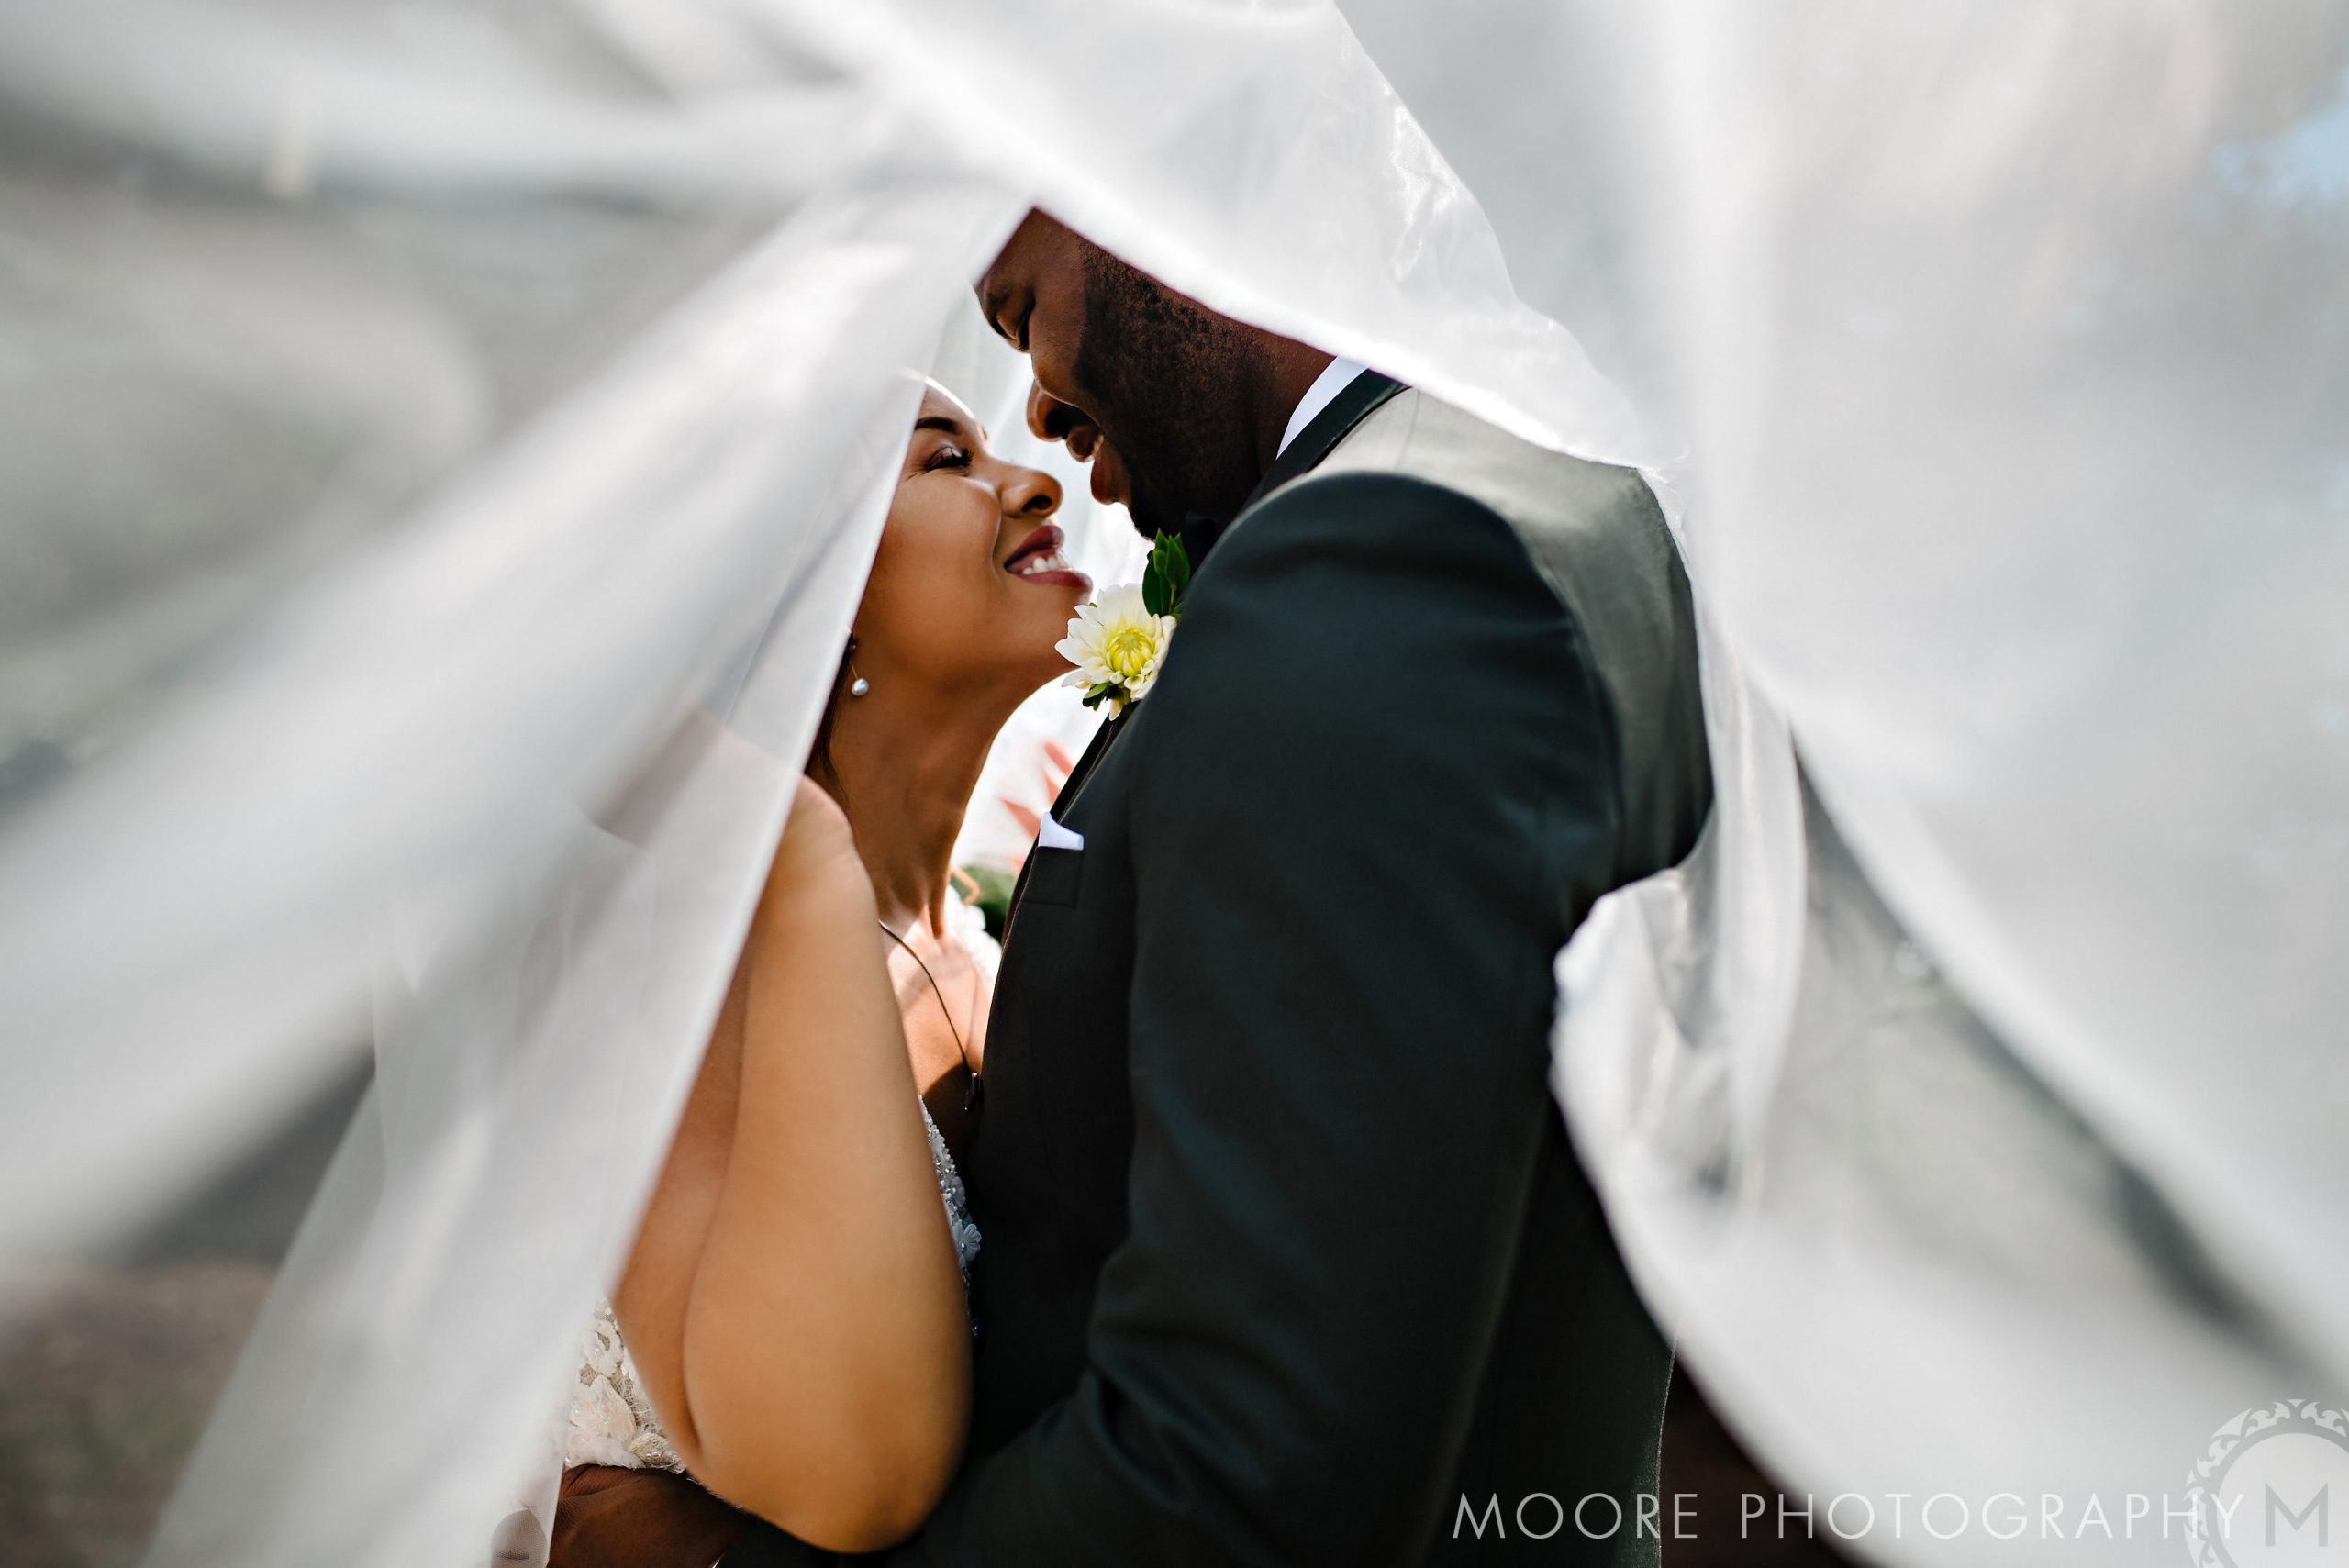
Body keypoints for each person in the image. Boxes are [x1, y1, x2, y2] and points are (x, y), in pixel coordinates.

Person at [550, 381, 1090, 1561]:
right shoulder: (695, 967)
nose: (1037, 482)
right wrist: (799, 854)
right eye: (945, 462)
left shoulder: (983, 944)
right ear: (814, 605)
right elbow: (844, 1487)